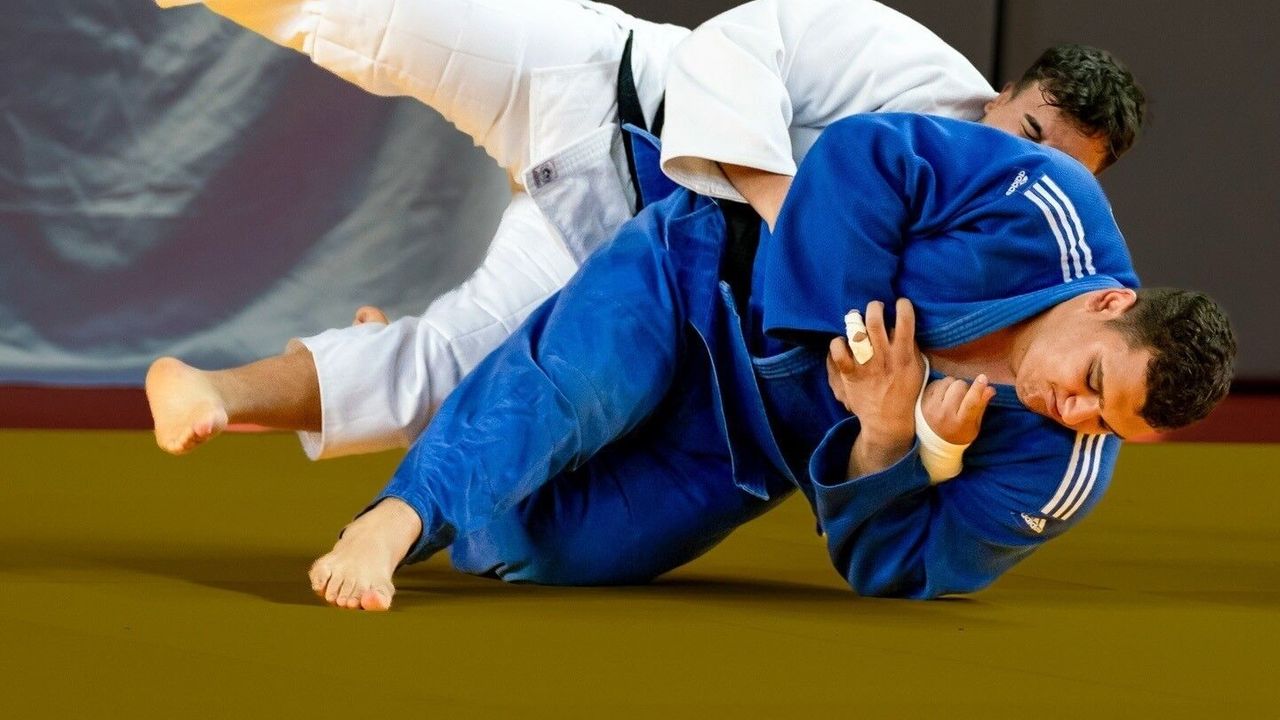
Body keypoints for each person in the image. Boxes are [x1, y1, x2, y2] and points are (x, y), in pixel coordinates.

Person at [296, 113, 1235, 610]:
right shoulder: (1045, 204)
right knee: (577, 394)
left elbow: (897, 566)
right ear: (1109, 303)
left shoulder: (1064, 469)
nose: (1074, 414)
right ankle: (392, 521)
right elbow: (867, 154)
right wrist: (847, 338)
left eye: (1105, 423)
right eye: (1092, 382)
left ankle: (463, 421)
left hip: (746, 450)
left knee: (539, 550)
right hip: (700, 278)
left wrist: (882, 436)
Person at [146, 0, 1146, 460]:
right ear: (1003, 92)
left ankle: (210, 392)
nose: (1025, 170)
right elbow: (738, 44)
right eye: (1028, 135)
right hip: (598, 84)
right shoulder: (904, 63)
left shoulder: (989, 273)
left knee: (444, 381)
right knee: (372, 18)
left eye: (1061, 174)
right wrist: (785, 209)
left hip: (625, 251)